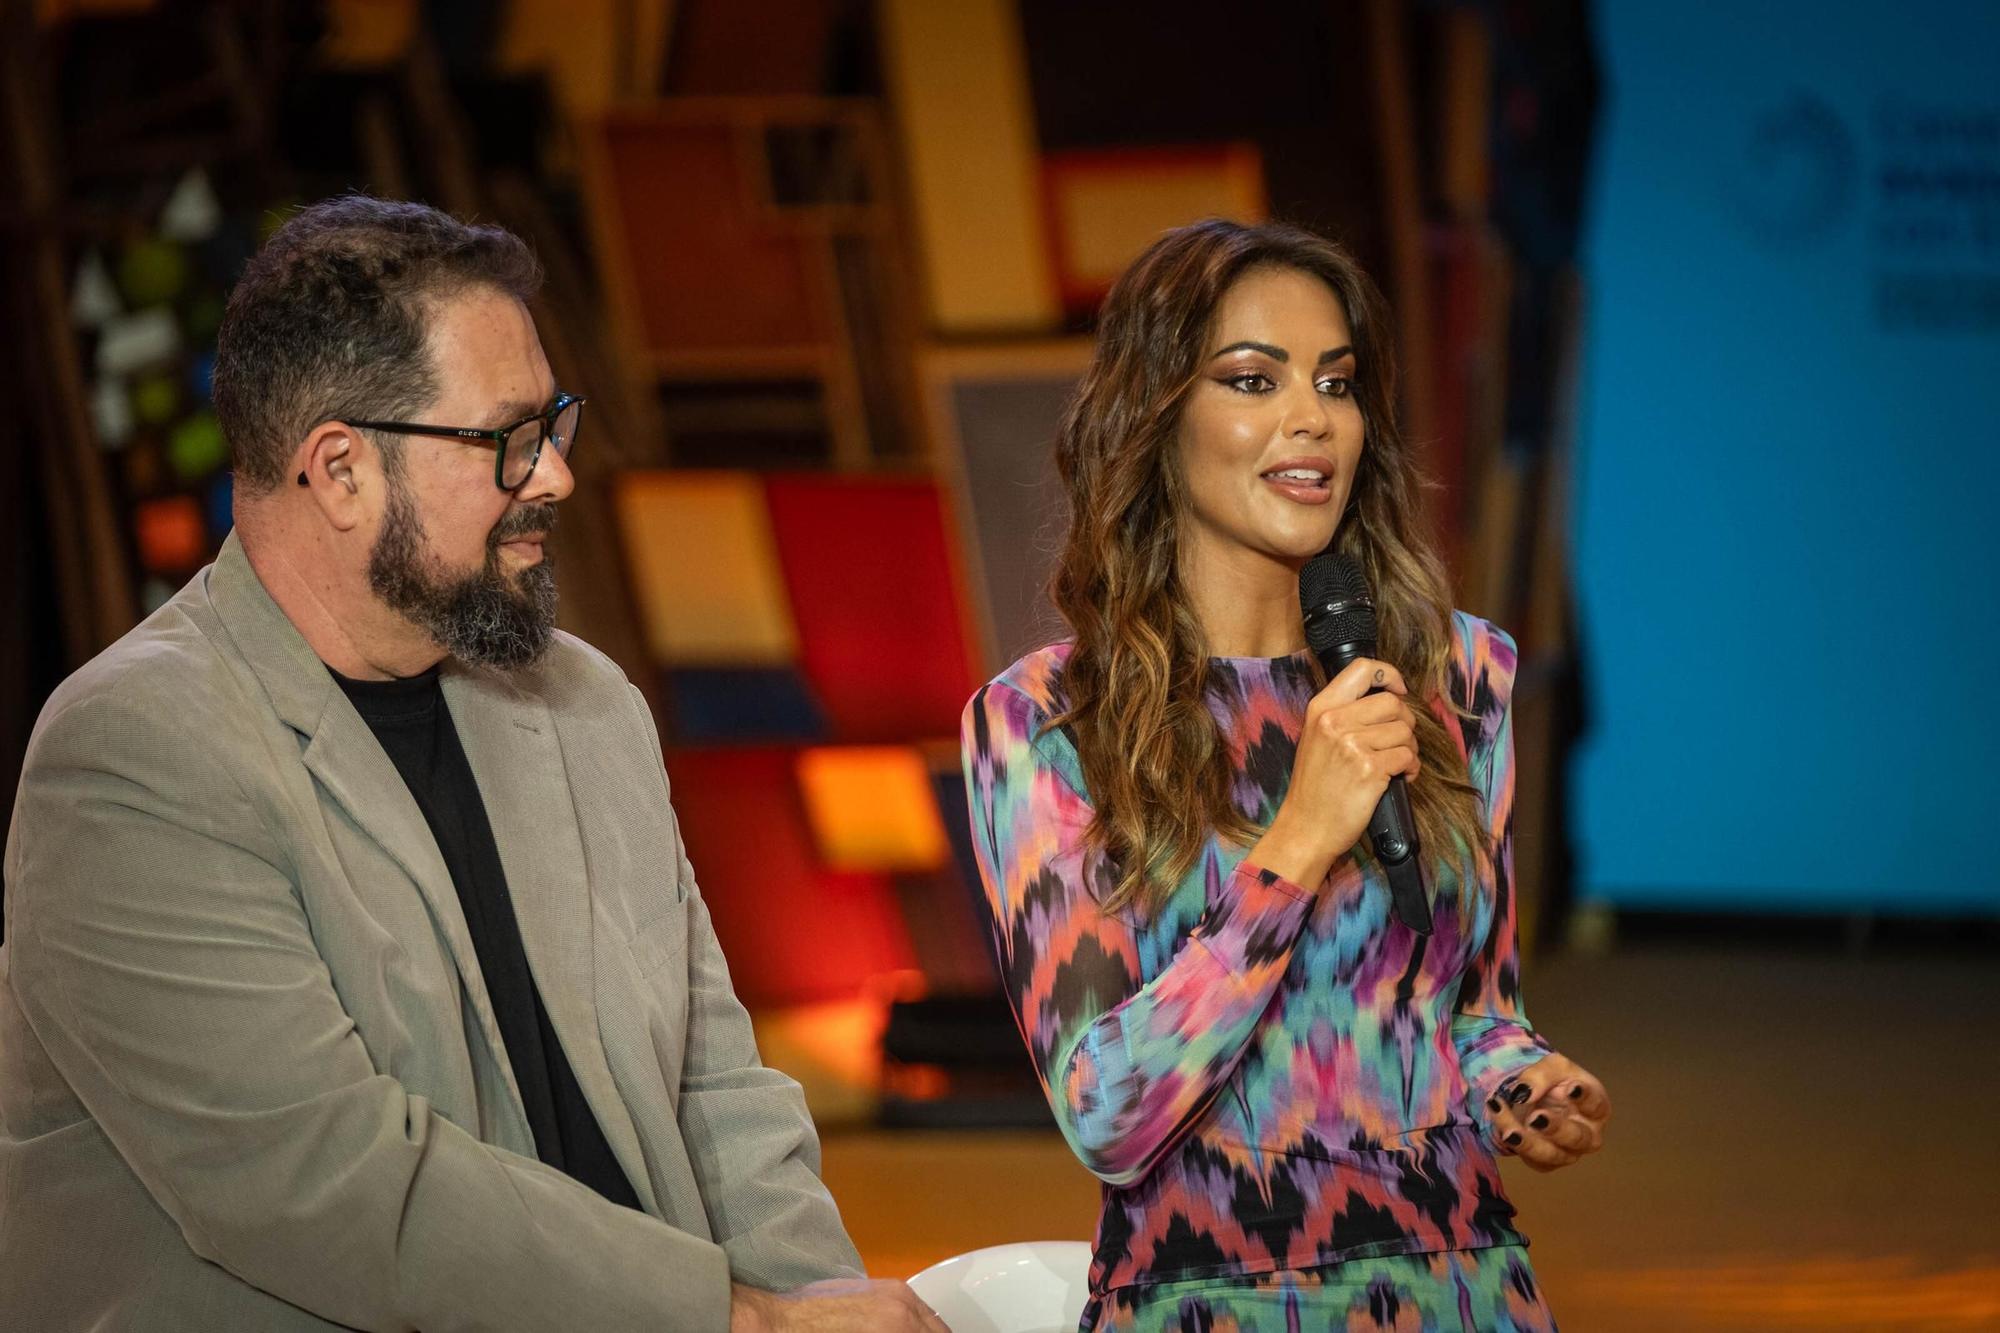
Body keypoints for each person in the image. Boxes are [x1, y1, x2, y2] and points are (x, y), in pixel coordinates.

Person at [0, 196, 943, 1333]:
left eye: (555, 424)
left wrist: (825, 1301)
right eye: (507, 438)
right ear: (340, 471)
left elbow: (713, 1091)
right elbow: (333, 1188)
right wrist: (745, 1324)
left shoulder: (584, 704)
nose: (554, 476)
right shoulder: (132, 755)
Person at [961, 220, 1611, 1331]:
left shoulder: (1457, 678)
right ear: (1156, 419)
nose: (1312, 418)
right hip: (1205, 1297)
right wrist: (1296, 842)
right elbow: (1105, 1112)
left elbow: (1467, 1010)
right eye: (1253, 379)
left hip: (1458, 1284)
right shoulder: (1046, 721)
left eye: (1338, 382)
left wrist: (1520, 1081)